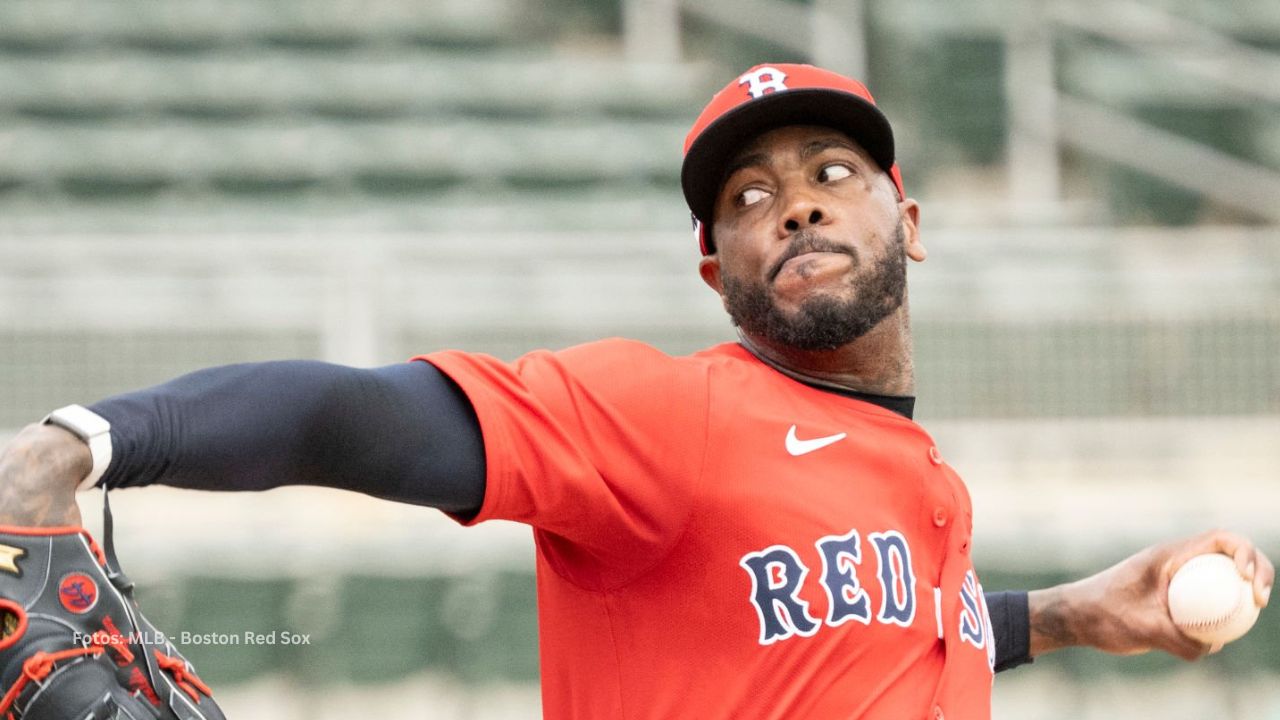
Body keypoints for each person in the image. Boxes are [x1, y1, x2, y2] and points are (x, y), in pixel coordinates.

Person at [0, 63, 1272, 719]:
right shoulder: (665, 416)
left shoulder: (915, 481)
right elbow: (350, 415)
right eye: (750, 196)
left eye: (834, 168)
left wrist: (1066, 614)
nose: (799, 200)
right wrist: (89, 443)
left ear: (909, 222)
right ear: (715, 268)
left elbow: (866, 632)